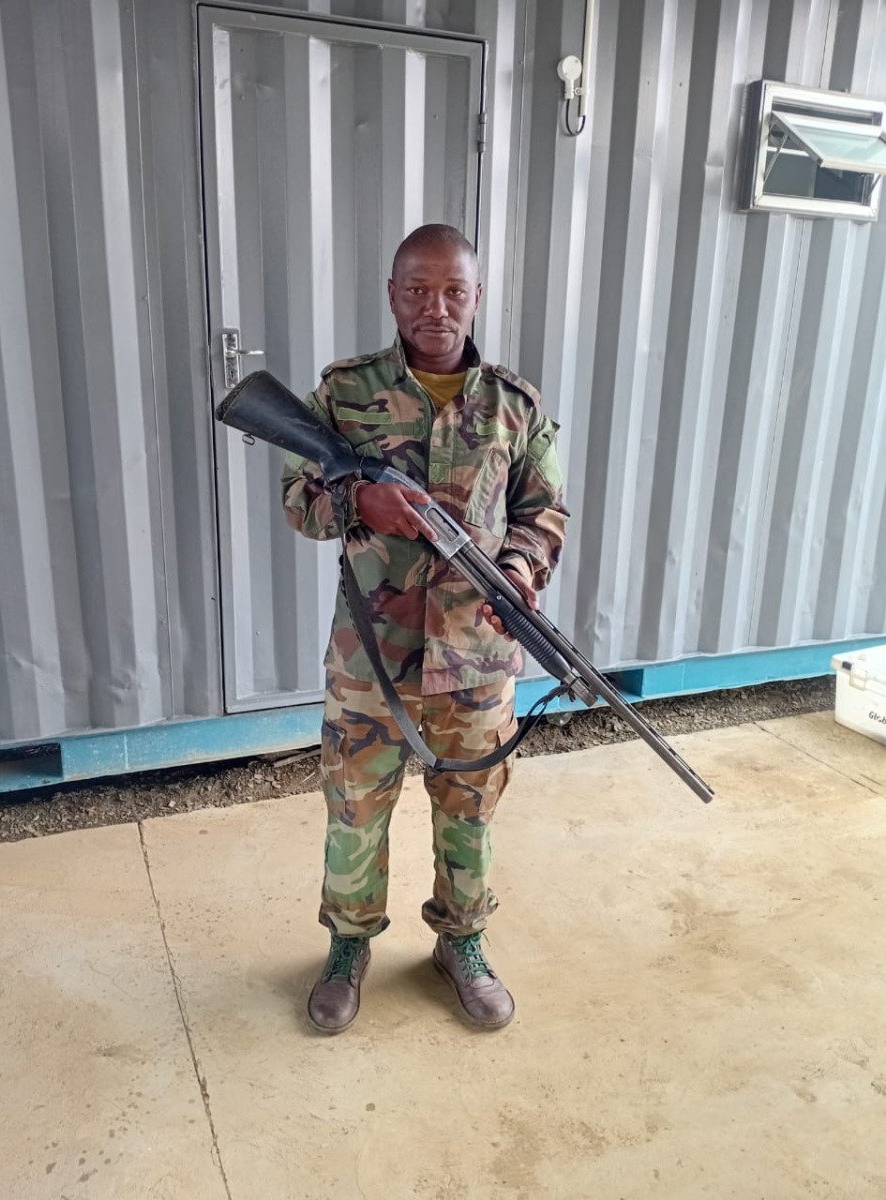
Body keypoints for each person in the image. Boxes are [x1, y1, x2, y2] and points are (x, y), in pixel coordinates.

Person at [281, 224, 568, 1034]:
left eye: (453, 291)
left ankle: (461, 942)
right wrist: (359, 501)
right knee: (355, 808)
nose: (435, 308)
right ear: (392, 295)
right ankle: (348, 945)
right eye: (417, 290)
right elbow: (298, 498)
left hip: (477, 659)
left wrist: (520, 573)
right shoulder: (344, 393)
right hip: (370, 659)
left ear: (476, 298)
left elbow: (543, 512)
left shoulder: (514, 405)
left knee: (469, 809)